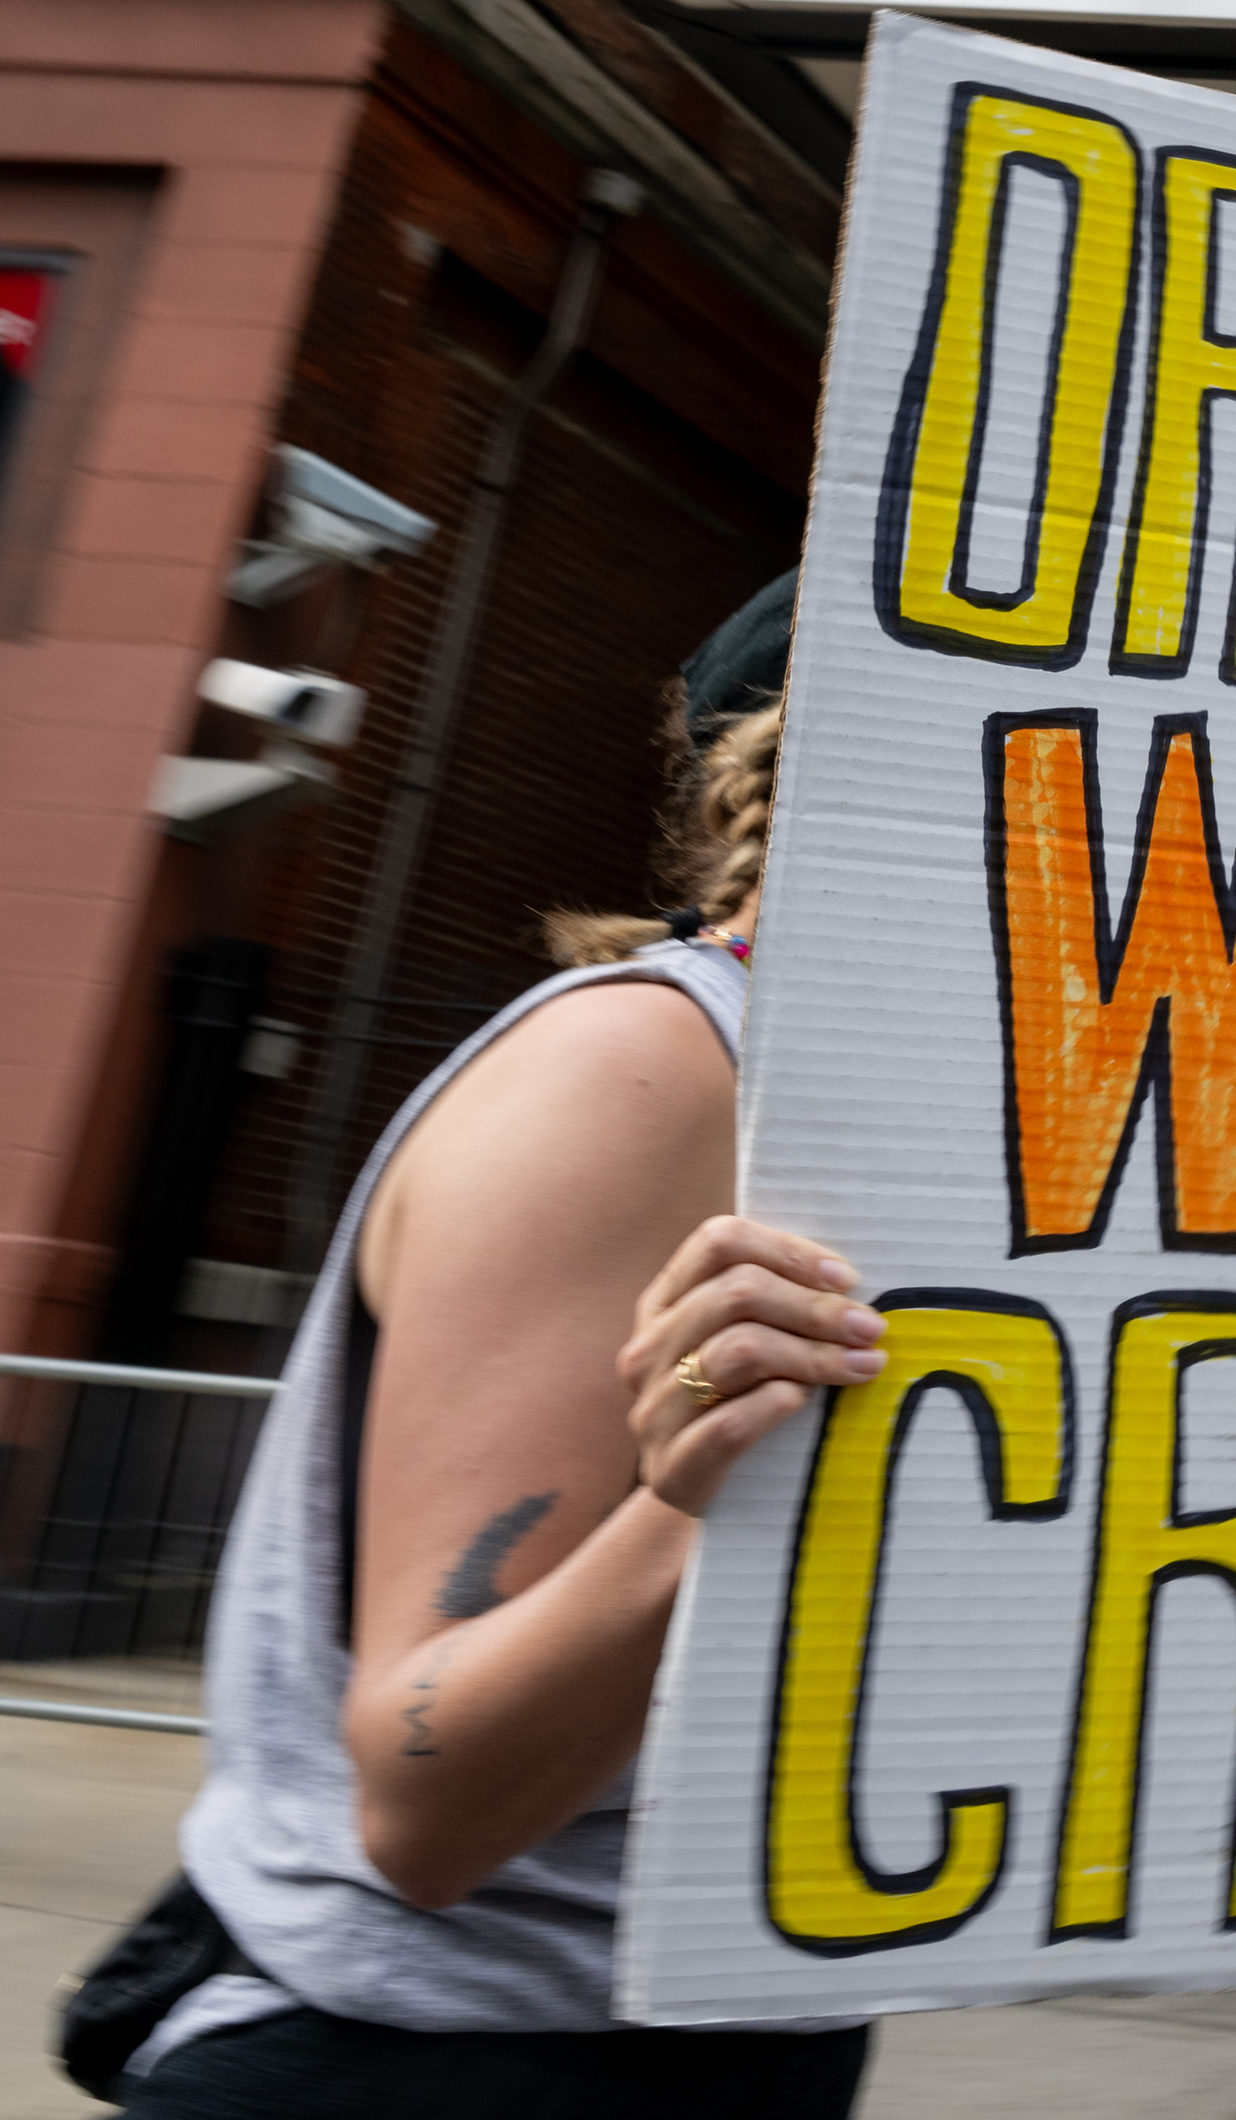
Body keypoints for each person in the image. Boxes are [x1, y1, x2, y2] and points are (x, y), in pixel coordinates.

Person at [117, 574, 885, 2115]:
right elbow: (427, 1797)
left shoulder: (921, 1127)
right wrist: (693, 1502)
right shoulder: (645, 1072)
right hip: (433, 2057)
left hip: (729, 2032)